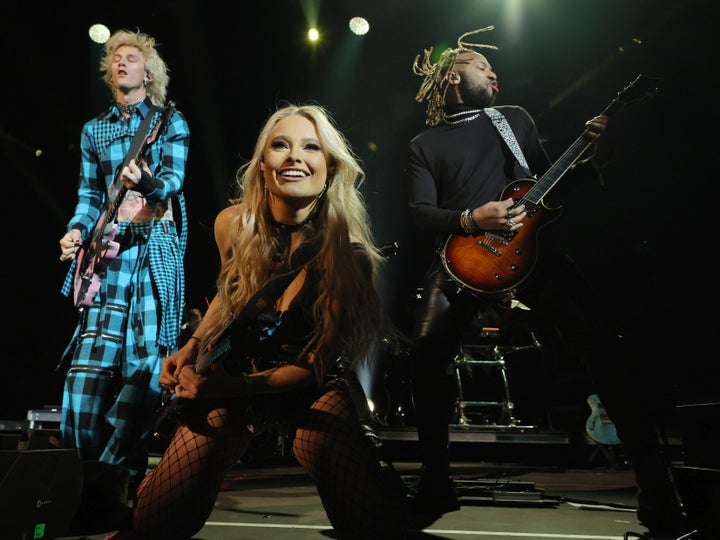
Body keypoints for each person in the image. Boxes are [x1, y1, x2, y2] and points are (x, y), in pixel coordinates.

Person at [106, 103, 409, 540]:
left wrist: (230, 388)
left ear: (330, 168)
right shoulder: (233, 225)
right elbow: (230, 296)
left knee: (370, 523)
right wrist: (191, 348)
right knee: (154, 523)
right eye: (280, 145)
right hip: (237, 371)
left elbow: (313, 366)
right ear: (262, 164)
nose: (294, 156)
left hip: (308, 384)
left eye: (311, 147)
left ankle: (372, 467)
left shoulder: (349, 257)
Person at [404, 26, 609, 523]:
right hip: (461, 260)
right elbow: (419, 211)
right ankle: (435, 481)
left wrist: (594, 150)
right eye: (481, 64)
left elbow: (548, 182)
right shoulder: (424, 143)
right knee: (426, 353)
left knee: (600, 340)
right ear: (451, 78)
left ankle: (656, 488)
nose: (493, 71)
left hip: (527, 253)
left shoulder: (512, 119)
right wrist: (472, 220)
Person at [57, 27, 190, 514]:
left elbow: (172, 182)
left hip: (152, 257)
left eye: (131, 57)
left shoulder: (169, 121)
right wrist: (74, 231)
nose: (121, 63)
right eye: (115, 57)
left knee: (147, 373)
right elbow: (89, 197)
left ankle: (120, 472)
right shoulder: (95, 130)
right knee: (85, 378)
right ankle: (81, 479)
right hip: (106, 261)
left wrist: (148, 180)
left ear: (147, 71)